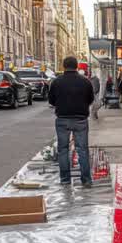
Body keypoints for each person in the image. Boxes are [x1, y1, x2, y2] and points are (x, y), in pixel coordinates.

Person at [47, 55, 94, 186]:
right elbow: (90, 99)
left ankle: (65, 180)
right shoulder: (85, 81)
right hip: (81, 120)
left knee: (63, 150)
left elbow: (51, 101)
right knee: (82, 150)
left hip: (62, 119)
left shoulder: (56, 82)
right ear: (77, 66)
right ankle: (86, 180)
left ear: (64, 66)